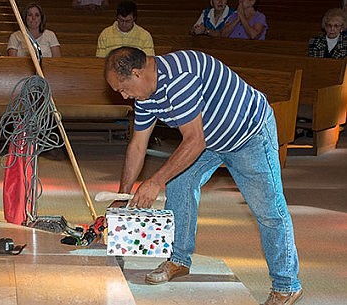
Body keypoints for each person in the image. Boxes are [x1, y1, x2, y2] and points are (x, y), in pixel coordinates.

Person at [104, 46, 303, 305]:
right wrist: (123, 194)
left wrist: (155, 181)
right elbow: (138, 145)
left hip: (248, 134)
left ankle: (287, 285)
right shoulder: (145, 96)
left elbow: (194, 141)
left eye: (122, 88)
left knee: (269, 210)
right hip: (210, 138)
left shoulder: (179, 79)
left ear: (137, 73)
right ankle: (179, 260)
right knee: (180, 183)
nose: (123, 95)